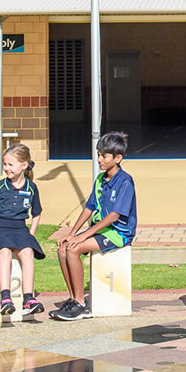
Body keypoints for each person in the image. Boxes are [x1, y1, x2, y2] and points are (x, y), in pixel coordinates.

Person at [50, 131, 137, 321]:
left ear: (118, 158)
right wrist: (72, 233)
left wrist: (83, 236)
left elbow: (114, 216)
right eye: (98, 155)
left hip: (118, 233)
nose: (99, 160)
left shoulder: (125, 182)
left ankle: (80, 305)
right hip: (101, 230)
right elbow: (89, 207)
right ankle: (73, 299)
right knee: (64, 247)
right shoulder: (100, 180)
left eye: (104, 156)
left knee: (74, 249)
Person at [0, 144, 47, 318]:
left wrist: (31, 233)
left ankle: (28, 299)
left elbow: (37, 213)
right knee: (4, 253)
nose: (6, 168)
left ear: (24, 165)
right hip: (0, 228)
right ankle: (5, 299)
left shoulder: (31, 187)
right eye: (5, 164)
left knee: (27, 253)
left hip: (20, 228)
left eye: (10, 164)